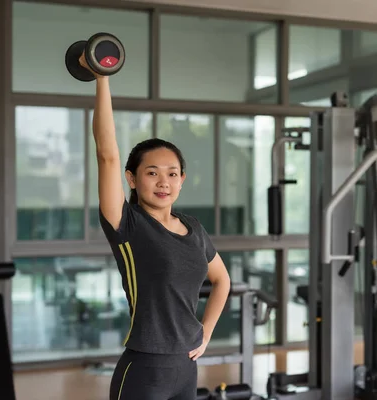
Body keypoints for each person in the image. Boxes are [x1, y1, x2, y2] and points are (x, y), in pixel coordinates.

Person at [79, 55, 231, 400]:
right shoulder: (127, 224)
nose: (164, 182)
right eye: (152, 173)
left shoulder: (193, 228)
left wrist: (205, 333)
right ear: (132, 179)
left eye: (172, 174)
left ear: (182, 180)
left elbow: (222, 280)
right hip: (144, 369)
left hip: (186, 367)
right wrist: (102, 78)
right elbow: (107, 154)